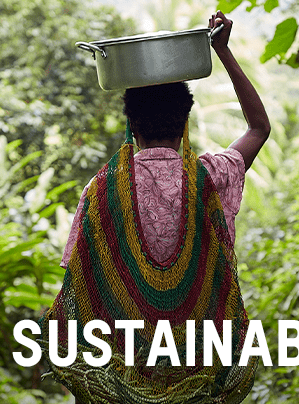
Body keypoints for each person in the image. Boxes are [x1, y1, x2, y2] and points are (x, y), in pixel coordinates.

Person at [45, 11, 269, 404]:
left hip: (125, 381)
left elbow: (82, 289)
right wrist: (224, 52)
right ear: (185, 120)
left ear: (132, 124)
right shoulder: (211, 177)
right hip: (200, 372)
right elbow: (258, 128)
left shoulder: (100, 190)